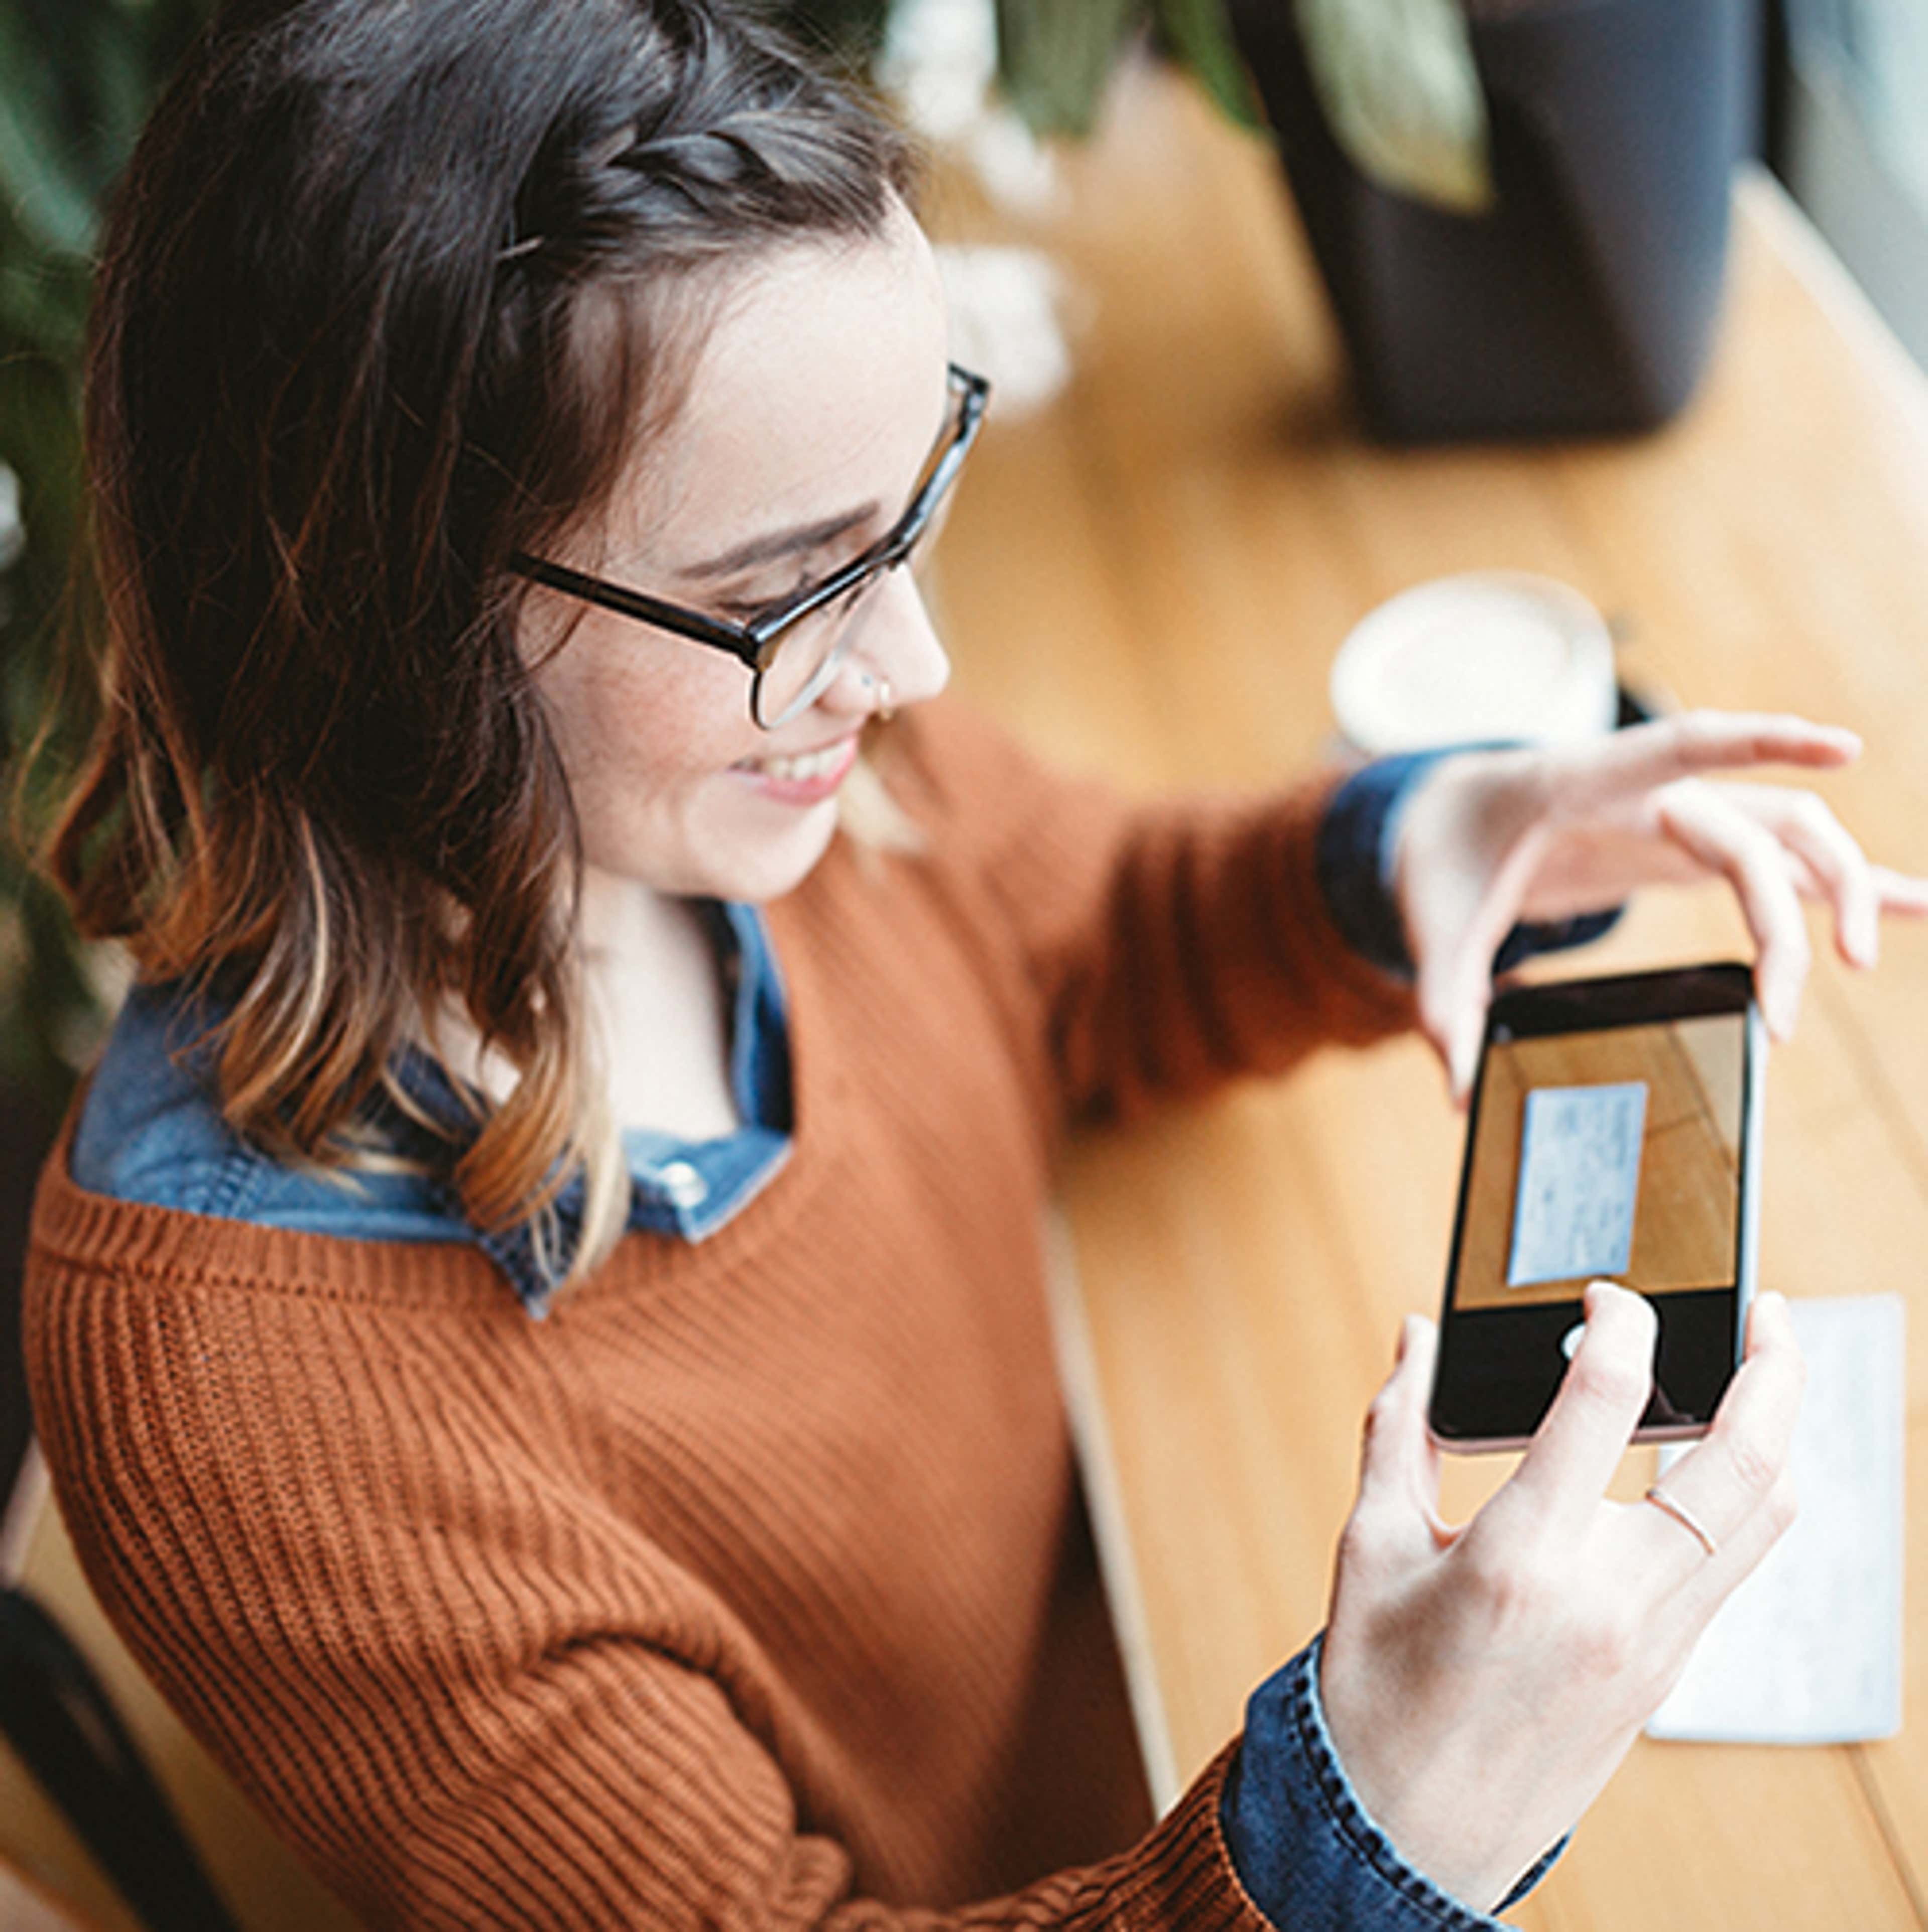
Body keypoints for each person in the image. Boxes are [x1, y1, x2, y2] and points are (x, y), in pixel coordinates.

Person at [20, 0, 1925, 1925]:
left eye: (916, 498)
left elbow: (1083, 939)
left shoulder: (731, 764)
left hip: (1124, 1641)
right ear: (372, 613)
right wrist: (1379, 1826)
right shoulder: (256, 1408)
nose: (915, 665)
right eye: (791, 588)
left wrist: (1409, 849)